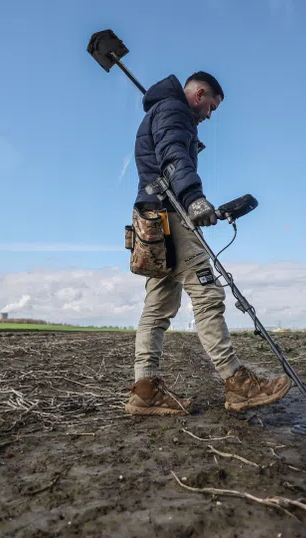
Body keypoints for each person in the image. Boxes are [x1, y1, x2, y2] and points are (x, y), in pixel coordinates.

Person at [125, 71, 292, 416]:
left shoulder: (162, 111)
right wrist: (194, 198)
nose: (210, 114)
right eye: (211, 106)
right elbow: (173, 155)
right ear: (199, 94)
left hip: (151, 221)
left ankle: (145, 390)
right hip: (171, 214)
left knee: (157, 309)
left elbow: (167, 155)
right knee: (207, 295)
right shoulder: (173, 111)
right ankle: (238, 383)